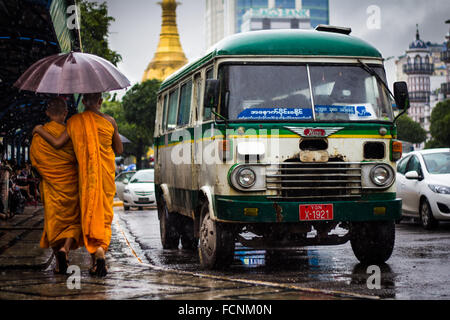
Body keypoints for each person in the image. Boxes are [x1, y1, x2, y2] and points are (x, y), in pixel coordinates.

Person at [33, 93, 123, 277]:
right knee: (102, 215)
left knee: (87, 214)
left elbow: (58, 143)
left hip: (85, 178)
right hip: (104, 177)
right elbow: (119, 150)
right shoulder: (110, 121)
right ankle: (99, 251)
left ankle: (67, 251)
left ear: (83, 102)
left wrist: (39, 130)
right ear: (100, 101)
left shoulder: (74, 122)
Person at [30, 97, 82, 274]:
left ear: (47, 113)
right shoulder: (71, 130)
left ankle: (59, 262)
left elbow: (36, 162)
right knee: (73, 221)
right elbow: (77, 156)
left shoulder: (39, 134)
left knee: (53, 222)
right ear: (66, 113)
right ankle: (65, 250)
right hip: (70, 183)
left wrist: (38, 129)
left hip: (51, 186)